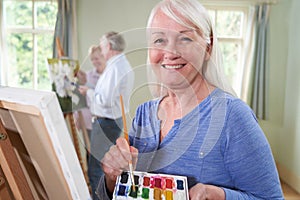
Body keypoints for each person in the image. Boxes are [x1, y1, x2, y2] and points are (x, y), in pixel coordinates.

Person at [96, 0, 284, 200]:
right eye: (159, 40)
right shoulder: (144, 114)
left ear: (208, 47)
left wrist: (220, 195)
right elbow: (122, 191)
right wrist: (112, 178)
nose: (170, 53)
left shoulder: (233, 116)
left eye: (184, 38)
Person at [84, 31, 135, 200]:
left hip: (106, 122)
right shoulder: (119, 64)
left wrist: (89, 92)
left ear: (109, 46)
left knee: (96, 168)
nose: (101, 48)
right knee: (102, 166)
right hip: (111, 121)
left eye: (102, 44)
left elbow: (105, 100)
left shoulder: (115, 67)